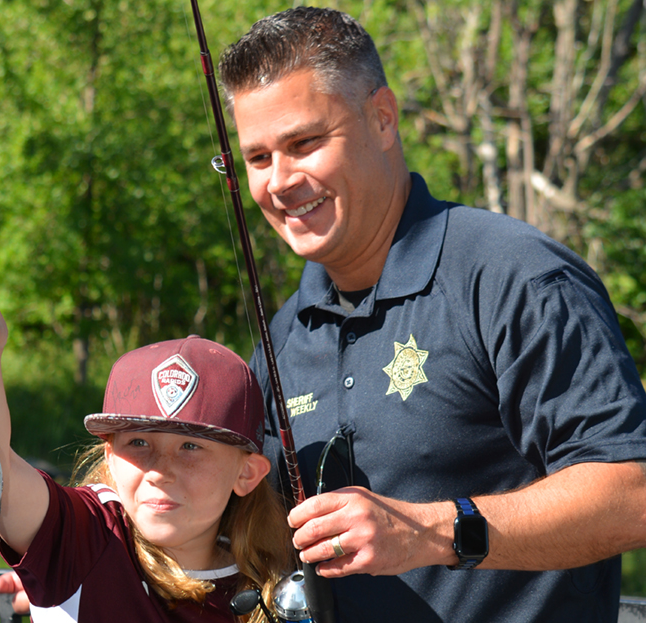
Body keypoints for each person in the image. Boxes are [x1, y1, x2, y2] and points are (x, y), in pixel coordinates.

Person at [215, 6, 646, 622]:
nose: (280, 181)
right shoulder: (281, 337)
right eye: (258, 159)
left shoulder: (514, 275)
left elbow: (632, 491)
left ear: (382, 118)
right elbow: (234, 527)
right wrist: (78, 553)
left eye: (304, 143)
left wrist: (432, 531)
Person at [0, 290, 294, 622]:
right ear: (111, 458)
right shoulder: (87, 535)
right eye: (138, 443)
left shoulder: (271, 582)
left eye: (190, 447)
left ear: (247, 474)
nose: (159, 471)